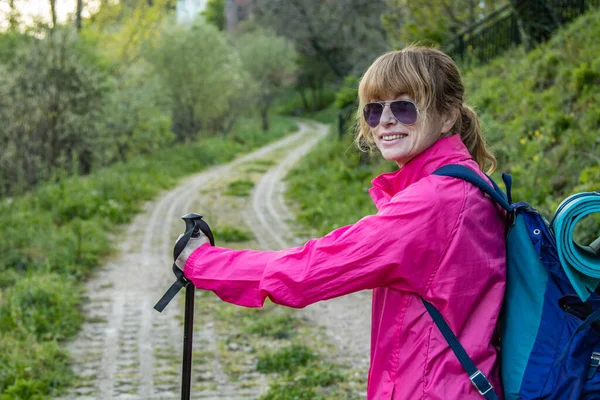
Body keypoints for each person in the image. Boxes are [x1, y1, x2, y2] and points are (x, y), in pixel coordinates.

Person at [176, 46, 506, 399]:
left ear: (447, 116)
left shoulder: (432, 203)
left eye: (405, 107)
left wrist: (201, 261)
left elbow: (309, 270)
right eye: (374, 109)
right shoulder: (470, 182)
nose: (386, 121)